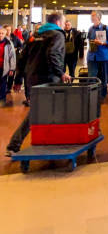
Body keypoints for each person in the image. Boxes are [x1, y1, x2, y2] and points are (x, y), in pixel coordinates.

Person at [6, 13, 70, 155]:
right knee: (56, 109)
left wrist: (18, 80)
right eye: (64, 21)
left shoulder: (35, 35)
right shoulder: (57, 35)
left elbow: (22, 57)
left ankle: (16, 144)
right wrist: (61, 73)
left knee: (39, 111)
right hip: (49, 78)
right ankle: (16, 144)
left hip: (32, 79)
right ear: (58, 22)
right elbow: (53, 54)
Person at [87, 11, 108, 100]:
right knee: (92, 77)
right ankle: (92, 96)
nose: (91, 18)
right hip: (92, 56)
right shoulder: (90, 29)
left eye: (93, 16)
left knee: (104, 77)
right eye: (91, 16)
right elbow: (89, 40)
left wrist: (102, 43)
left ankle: (102, 96)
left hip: (103, 57)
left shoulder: (106, 28)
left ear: (98, 18)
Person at [0, 26, 17, 107]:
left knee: (3, 83)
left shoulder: (9, 43)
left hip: (4, 67)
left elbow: (12, 57)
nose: (0, 35)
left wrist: (12, 69)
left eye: (2, 33)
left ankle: (2, 99)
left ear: (5, 34)